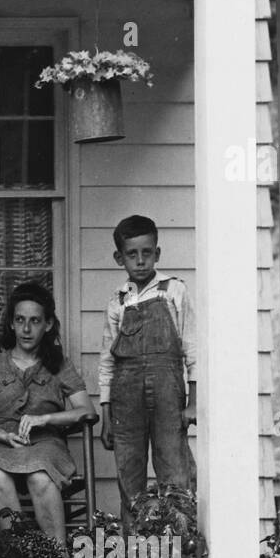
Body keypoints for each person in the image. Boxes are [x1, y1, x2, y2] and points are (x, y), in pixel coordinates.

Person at [0, 281, 94, 550]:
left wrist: (45, 419)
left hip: (46, 444)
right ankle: (25, 557)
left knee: (40, 475)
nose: (26, 329)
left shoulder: (58, 365)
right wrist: (3, 435)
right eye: (20, 320)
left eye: (35, 321)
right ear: (12, 324)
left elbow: (87, 411)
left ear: (48, 324)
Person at [97, 214, 196, 533]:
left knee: (174, 473)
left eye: (147, 252)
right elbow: (107, 361)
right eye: (131, 254)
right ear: (119, 257)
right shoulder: (118, 300)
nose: (140, 261)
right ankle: (136, 556)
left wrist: (193, 401)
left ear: (157, 253)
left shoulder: (174, 290)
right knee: (130, 474)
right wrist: (106, 412)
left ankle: (181, 555)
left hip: (168, 393)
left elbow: (193, 348)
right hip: (126, 397)